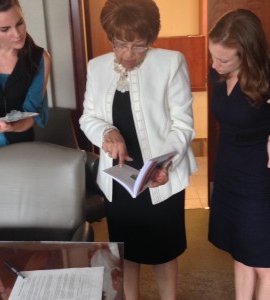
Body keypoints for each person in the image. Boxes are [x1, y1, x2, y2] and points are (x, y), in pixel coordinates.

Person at [79, 0, 197, 298]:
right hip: (119, 177)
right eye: (120, 44)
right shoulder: (97, 66)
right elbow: (88, 117)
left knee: (163, 252)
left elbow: (182, 125)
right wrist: (108, 132)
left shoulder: (171, 62)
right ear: (111, 38)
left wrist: (165, 164)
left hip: (160, 175)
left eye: (139, 46)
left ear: (151, 39)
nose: (128, 54)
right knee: (127, 253)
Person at [208, 9, 270, 299]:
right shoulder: (217, 71)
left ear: (246, 54)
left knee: (263, 261)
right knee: (240, 251)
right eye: (213, 56)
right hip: (228, 166)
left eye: (223, 60)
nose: (214, 64)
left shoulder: (266, 77)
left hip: (259, 176)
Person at [0, 0, 50, 193]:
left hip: (20, 151)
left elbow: (33, 114)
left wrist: (11, 126)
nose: (17, 34)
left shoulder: (40, 59)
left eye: (20, 23)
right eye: (5, 29)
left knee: (20, 211)